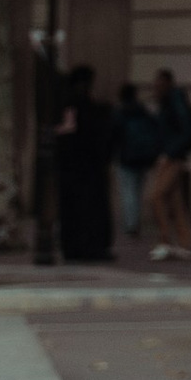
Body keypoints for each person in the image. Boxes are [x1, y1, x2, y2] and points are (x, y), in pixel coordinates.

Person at [51, 64, 114, 265]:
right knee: (87, 210)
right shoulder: (79, 104)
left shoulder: (66, 103)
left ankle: (76, 246)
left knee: (73, 210)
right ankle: (88, 247)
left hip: (74, 168)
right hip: (86, 169)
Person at [143, 67, 191, 263]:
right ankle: (185, 243)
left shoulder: (175, 101)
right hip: (169, 155)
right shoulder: (165, 103)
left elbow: (183, 130)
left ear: (168, 83)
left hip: (173, 158)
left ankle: (165, 240)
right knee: (176, 203)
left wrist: (169, 153)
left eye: (160, 83)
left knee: (157, 196)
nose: (156, 87)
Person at [112, 79, 163, 243]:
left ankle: (131, 224)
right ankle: (134, 222)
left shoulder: (120, 113)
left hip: (126, 157)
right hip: (142, 157)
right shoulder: (143, 111)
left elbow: (114, 134)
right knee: (137, 191)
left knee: (128, 192)